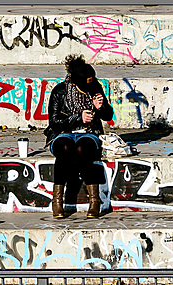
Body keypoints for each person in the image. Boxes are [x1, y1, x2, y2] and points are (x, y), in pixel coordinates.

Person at [44, 54, 114, 218]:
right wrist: (78, 118)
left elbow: (108, 115)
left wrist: (101, 107)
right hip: (63, 133)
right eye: (83, 86)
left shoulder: (95, 87)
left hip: (89, 133)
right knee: (65, 148)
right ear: (74, 82)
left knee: (83, 148)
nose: (88, 89)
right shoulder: (60, 91)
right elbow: (53, 122)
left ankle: (94, 201)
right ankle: (57, 202)